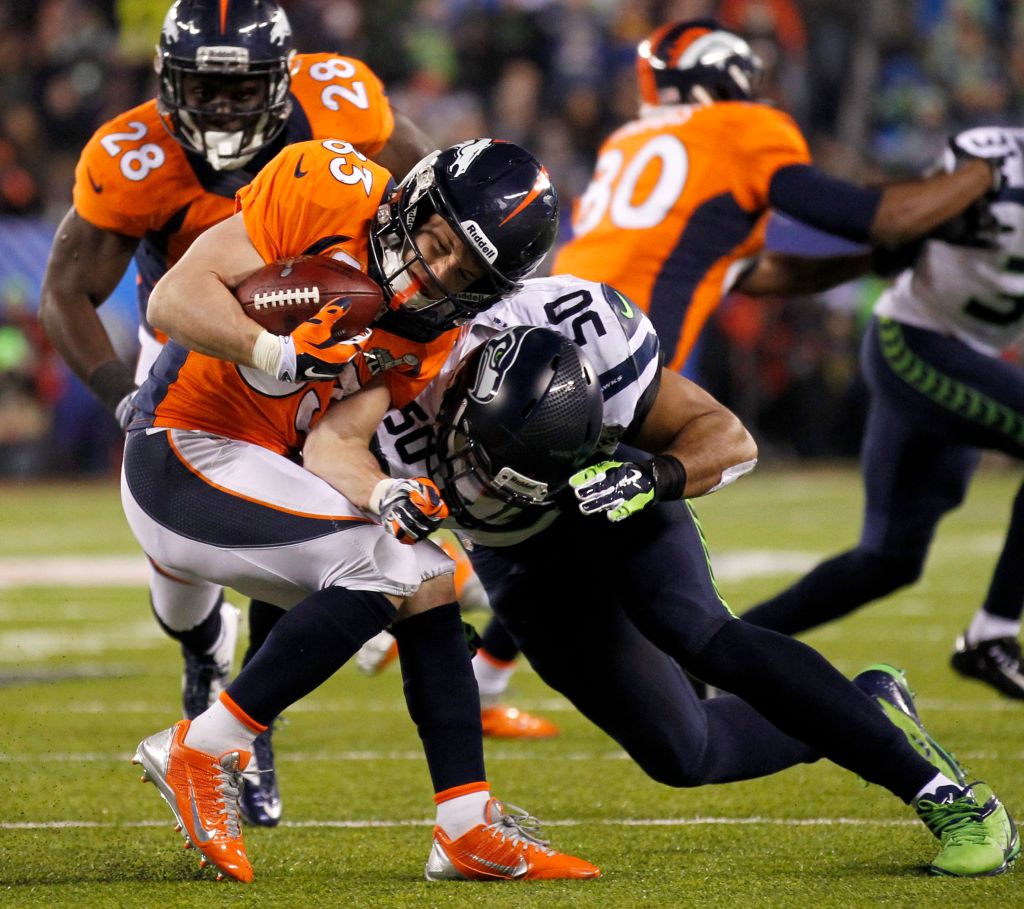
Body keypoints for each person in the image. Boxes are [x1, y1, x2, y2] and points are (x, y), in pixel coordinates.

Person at [435, 17, 1008, 713]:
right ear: (723, 78)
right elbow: (877, 217)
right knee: (620, 525)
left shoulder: (631, 139)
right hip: (612, 355)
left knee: (553, 506)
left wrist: (867, 262)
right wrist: (986, 170)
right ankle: (703, 675)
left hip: (546, 326)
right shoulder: (739, 132)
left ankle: (488, 670)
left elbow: (749, 270)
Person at [363, 282, 1017, 878]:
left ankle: (949, 797)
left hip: (609, 491)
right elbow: (320, 496)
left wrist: (654, 476)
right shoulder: (389, 389)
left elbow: (729, 436)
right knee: (684, 751)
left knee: (697, 630)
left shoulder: (594, 345)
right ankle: (868, 705)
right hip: (512, 555)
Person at [127, 134, 596, 884]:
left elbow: (336, 444)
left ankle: (464, 825)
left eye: (465, 271)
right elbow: (172, 297)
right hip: (181, 446)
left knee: (427, 575)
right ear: (415, 199)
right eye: (439, 242)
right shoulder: (326, 189)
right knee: (381, 568)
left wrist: (383, 491)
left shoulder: (434, 328)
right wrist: (273, 350)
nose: (437, 272)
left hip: (264, 468)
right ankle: (204, 746)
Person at [37, 0, 435, 826]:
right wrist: (120, 398)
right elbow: (66, 293)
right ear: (165, 83)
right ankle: (202, 655)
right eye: (202, 90)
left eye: (241, 88)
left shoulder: (342, 104)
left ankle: (248, 726)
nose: (221, 109)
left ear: (285, 80)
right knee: (181, 581)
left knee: (302, 525)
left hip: (327, 338)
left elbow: (427, 201)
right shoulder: (134, 155)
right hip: (193, 337)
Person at [741, 125, 1024, 699]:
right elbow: (893, 210)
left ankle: (721, 651)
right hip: (914, 341)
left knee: (889, 560)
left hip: (968, 355)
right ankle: (993, 634)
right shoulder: (992, 158)